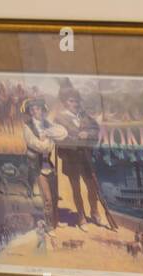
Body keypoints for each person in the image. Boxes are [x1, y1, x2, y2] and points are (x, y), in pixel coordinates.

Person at [52, 81, 117, 230]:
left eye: (76, 100)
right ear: (64, 102)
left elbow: (96, 130)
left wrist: (87, 133)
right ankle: (81, 217)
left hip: (86, 159)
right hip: (71, 159)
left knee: (92, 188)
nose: (74, 103)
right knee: (76, 190)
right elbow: (59, 140)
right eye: (71, 101)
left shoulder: (85, 116)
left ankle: (95, 214)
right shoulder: (59, 119)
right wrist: (77, 139)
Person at [21, 97, 66, 230]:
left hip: (49, 165)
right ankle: (50, 226)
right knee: (47, 198)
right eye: (32, 109)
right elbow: (38, 146)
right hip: (37, 166)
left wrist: (47, 133)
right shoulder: (27, 127)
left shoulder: (47, 124)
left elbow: (63, 133)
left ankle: (56, 221)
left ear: (42, 110)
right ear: (29, 112)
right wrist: (50, 141)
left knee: (54, 195)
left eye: (37, 109)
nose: (35, 112)